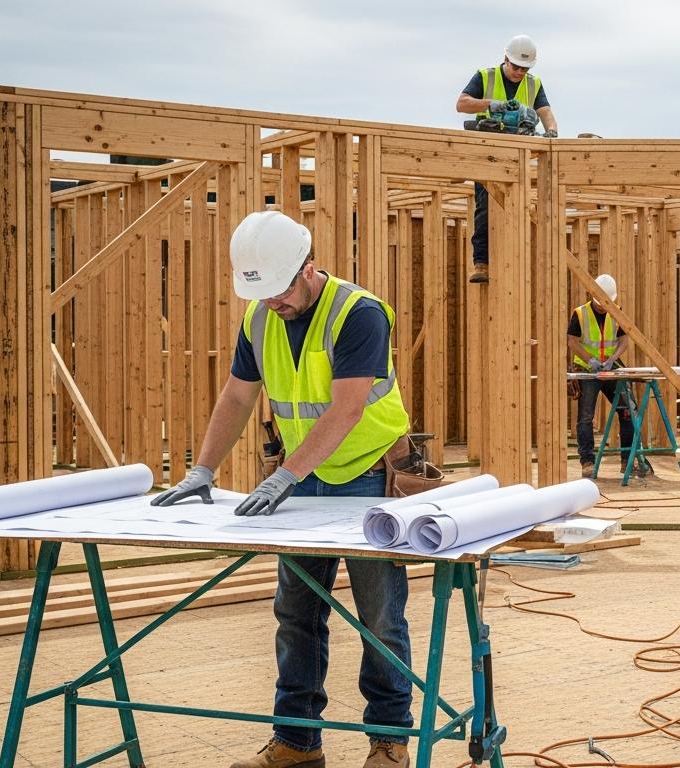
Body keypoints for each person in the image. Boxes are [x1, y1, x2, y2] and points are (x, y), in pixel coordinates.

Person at [152, 211, 414, 768]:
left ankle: (389, 741)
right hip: (299, 480)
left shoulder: (358, 314)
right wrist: (204, 469)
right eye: (263, 292)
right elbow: (237, 397)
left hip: (368, 476)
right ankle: (297, 742)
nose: (274, 302)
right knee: (295, 613)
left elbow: (345, 409)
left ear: (308, 267)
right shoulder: (260, 318)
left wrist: (283, 476)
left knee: (380, 617)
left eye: (281, 290)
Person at [455, 34, 559, 284]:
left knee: (523, 207)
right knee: (485, 205)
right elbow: (461, 104)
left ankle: (517, 261)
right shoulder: (485, 76)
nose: (520, 73)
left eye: (525, 69)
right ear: (505, 60)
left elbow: (545, 112)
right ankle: (481, 262)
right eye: (516, 67)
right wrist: (492, 104)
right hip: (488, 152)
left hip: (517, 158)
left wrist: (552, 133)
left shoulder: (534, 84)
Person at [567, 274, 649, 479]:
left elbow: (623, 340)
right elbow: (573, 341)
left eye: (607, 302)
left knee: (628, 411)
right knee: (585, 417)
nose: (604, 306)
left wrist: (614, 358)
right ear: (593, 296)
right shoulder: (580, 313)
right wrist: (591, 360)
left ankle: (627, 461)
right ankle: (587, 462)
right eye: (601, 302)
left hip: (611, 368)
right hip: (588, 368)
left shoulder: (617, 312)